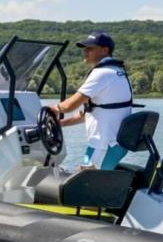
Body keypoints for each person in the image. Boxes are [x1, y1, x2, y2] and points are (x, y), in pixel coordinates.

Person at [47, 31, 134, 170]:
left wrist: (53, 109)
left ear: (105, 50)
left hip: (104, 146)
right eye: (85, 48)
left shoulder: (102, 73)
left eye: (90, 48)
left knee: (83, 180)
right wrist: (60, 124)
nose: (85, 52)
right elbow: (87, 114)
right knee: (80, 175)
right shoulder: (117, 72)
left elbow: (69, 106)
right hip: (110, 145)